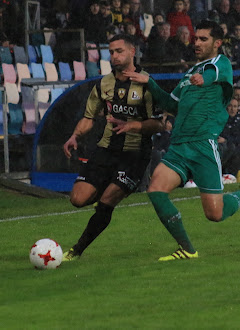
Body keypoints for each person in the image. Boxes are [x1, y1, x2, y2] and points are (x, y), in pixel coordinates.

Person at [124, 20, 240, 261]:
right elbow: (172, 105)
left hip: (203, 145)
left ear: (217, 43)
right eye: (196, 39)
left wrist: (204, 79)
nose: (197, 43)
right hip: (179, 146)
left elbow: (214, 75)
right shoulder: (188, 75)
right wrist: (149, 83)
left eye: (203, 39)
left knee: (215, 214)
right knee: (156, 190)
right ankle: (187, 249)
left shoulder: (220, 64)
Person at [61, 34, 164, 261]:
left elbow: (159, 123)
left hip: (135, 155)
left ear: (132, 52)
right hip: (105, 149)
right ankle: (110, 188)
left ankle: (77, 250)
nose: (114, 56)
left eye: (119, 51)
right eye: (111, 52)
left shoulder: (147, 83)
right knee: (78, 199)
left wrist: (133, 125)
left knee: (107, 201)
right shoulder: (104, 83)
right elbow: (89, 117)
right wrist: (75, 136)